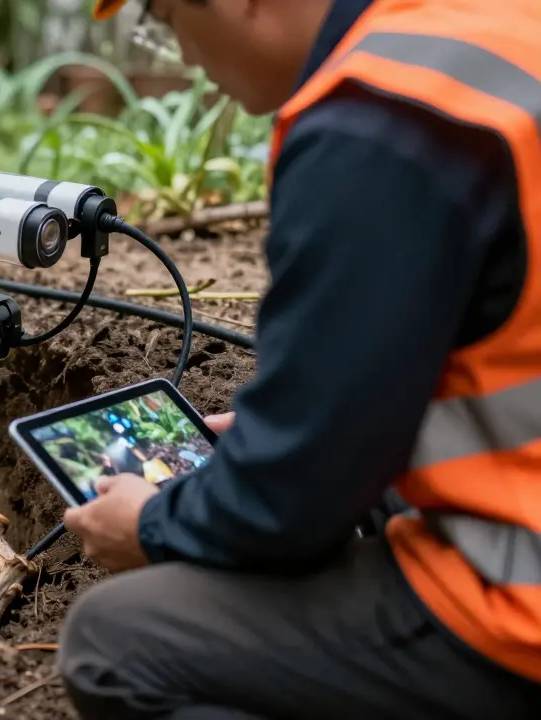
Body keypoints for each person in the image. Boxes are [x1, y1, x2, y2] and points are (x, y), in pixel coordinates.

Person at [58, 0, 541, 717]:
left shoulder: (379, 119)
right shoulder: (486, 33)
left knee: (115, 642)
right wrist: (281, 436)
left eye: (162, 18)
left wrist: (156, 525)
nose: (183, 57)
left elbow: (287, 511)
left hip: (521, 608)